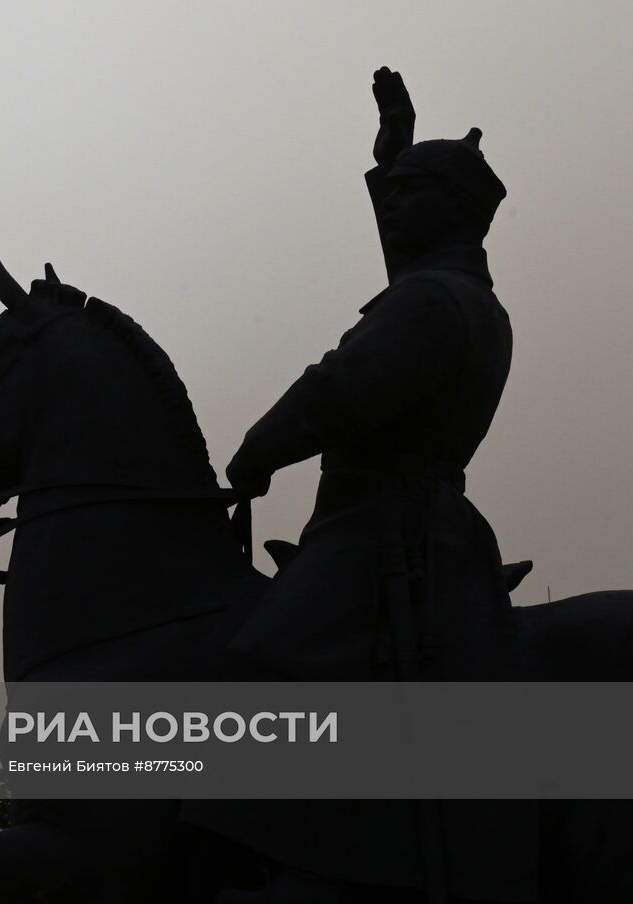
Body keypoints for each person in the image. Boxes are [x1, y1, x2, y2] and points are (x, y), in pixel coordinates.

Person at [184, 68, 538, 903]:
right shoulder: (459, 295)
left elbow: (342, 390)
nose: (391, 208)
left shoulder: (431, 305)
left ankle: (301, 864)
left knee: (255, 679)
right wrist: (395, 155)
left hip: (380, 528)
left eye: (407, 195)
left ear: (446, 211)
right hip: (414, 519)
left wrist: (256, 451)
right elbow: (408, 254)